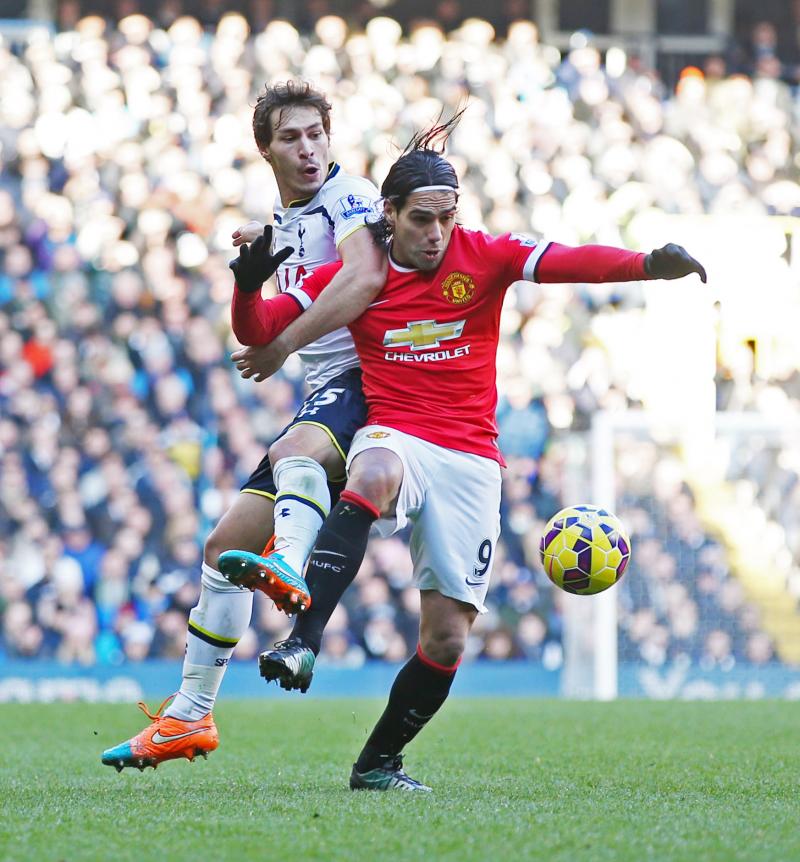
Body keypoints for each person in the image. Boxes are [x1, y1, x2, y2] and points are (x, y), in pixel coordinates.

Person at [225, 115, 707, 790]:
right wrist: (248, 286)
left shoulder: (484, 255)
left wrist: (648, 266)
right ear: (387, 216)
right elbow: (263, 330)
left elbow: (568, 261)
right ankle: (302, 641)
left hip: (472, 459)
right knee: (375, 469)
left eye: (447, 218)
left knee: (447, 638)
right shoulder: (355, 276)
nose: (437, 234)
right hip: (395, 431)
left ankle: (379, 763)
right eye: (422, 219)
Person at [100, 80, 385, 772]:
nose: (308, 148)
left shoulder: (349, 196)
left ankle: (289, 562)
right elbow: (256, 331)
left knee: (296, 452)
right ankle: (190, 717)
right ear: (266, 150)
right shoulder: (283, 226)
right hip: (325, 394)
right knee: (222, 546)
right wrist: (247, 282)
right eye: (290, 137)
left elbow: (365, 279)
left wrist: (284, 345)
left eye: (316, 133)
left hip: (373, 384)